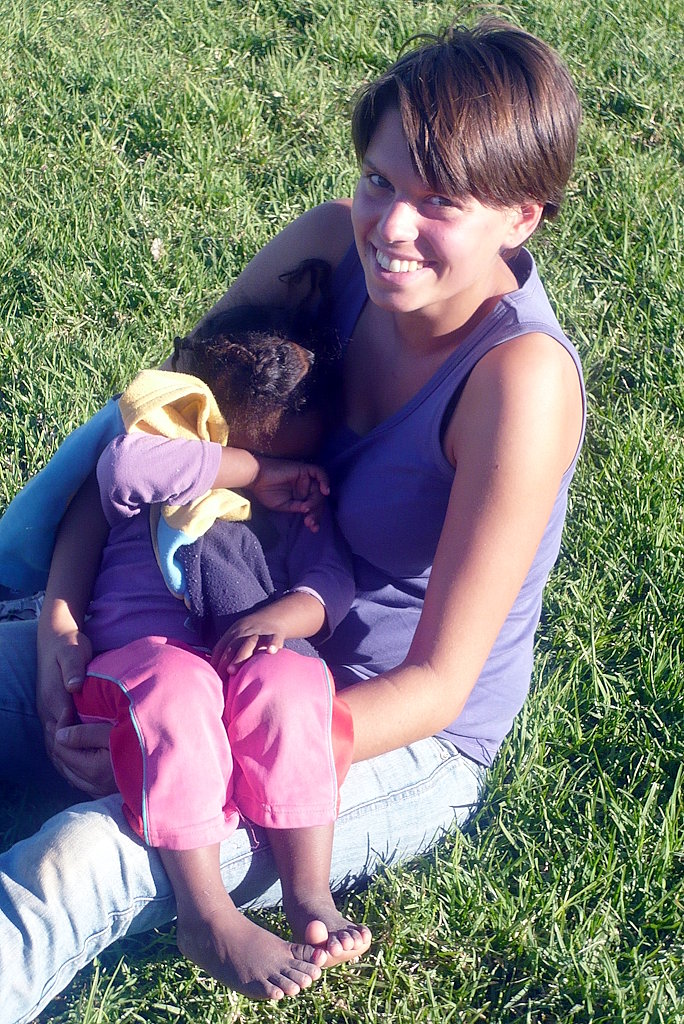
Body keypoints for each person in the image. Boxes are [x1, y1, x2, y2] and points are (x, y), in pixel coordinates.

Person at [0, 18, 585, 1024]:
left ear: (521, 216)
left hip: (361, 721)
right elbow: (148, 444)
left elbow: (439, 685)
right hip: (187, 629)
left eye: (439, 202)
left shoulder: (517, 385)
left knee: (83, 861)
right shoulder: (325, 248)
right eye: (379, 181)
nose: (390, 226)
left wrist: (204, 740)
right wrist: (60, 622)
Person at [70, 303, 368, 1000]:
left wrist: (283, 614)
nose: (283, 475)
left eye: (292, 457)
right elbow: (123, 468)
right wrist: (246, 471)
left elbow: (330, 580)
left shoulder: (298, 497)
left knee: (294, 683)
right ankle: (205, 915)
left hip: (237, 666)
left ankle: (308, 891)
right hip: (136, 670)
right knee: (179, 688)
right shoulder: (170, 466)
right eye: (263, 455)